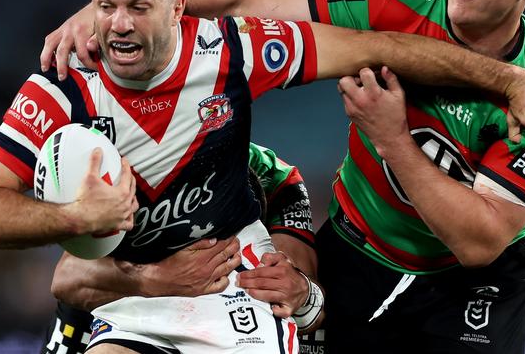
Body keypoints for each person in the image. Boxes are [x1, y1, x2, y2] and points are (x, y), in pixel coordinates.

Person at [0, 0, 525, 353]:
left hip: (259, 295)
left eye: (139, 7)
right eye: (105, 7)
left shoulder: (234, 52)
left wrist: (510, 81)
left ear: (179, 10)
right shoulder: (61, 87)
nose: (119, 24)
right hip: (141, 302)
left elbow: (379, 50)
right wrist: (78, 217)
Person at [41, 142, 323, 354]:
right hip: (131, 290)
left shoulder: (277, 178)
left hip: (232, 297)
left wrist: (306, 294)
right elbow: (66, 278)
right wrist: (157, 279)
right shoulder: (129, 158)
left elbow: (302, 298)